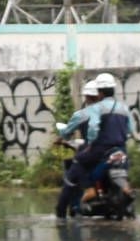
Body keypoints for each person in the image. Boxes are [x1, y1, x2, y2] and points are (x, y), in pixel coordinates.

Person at [55, 73, 132, 218]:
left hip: (99, 149)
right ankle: (126, 188)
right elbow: (130, 131)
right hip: (120, 149)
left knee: (78, 160)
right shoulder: (123, 108)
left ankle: (87, 190)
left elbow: (92, 128)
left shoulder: (90, 111)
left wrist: (90, 143)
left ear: (99, 93)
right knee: (125, 166)